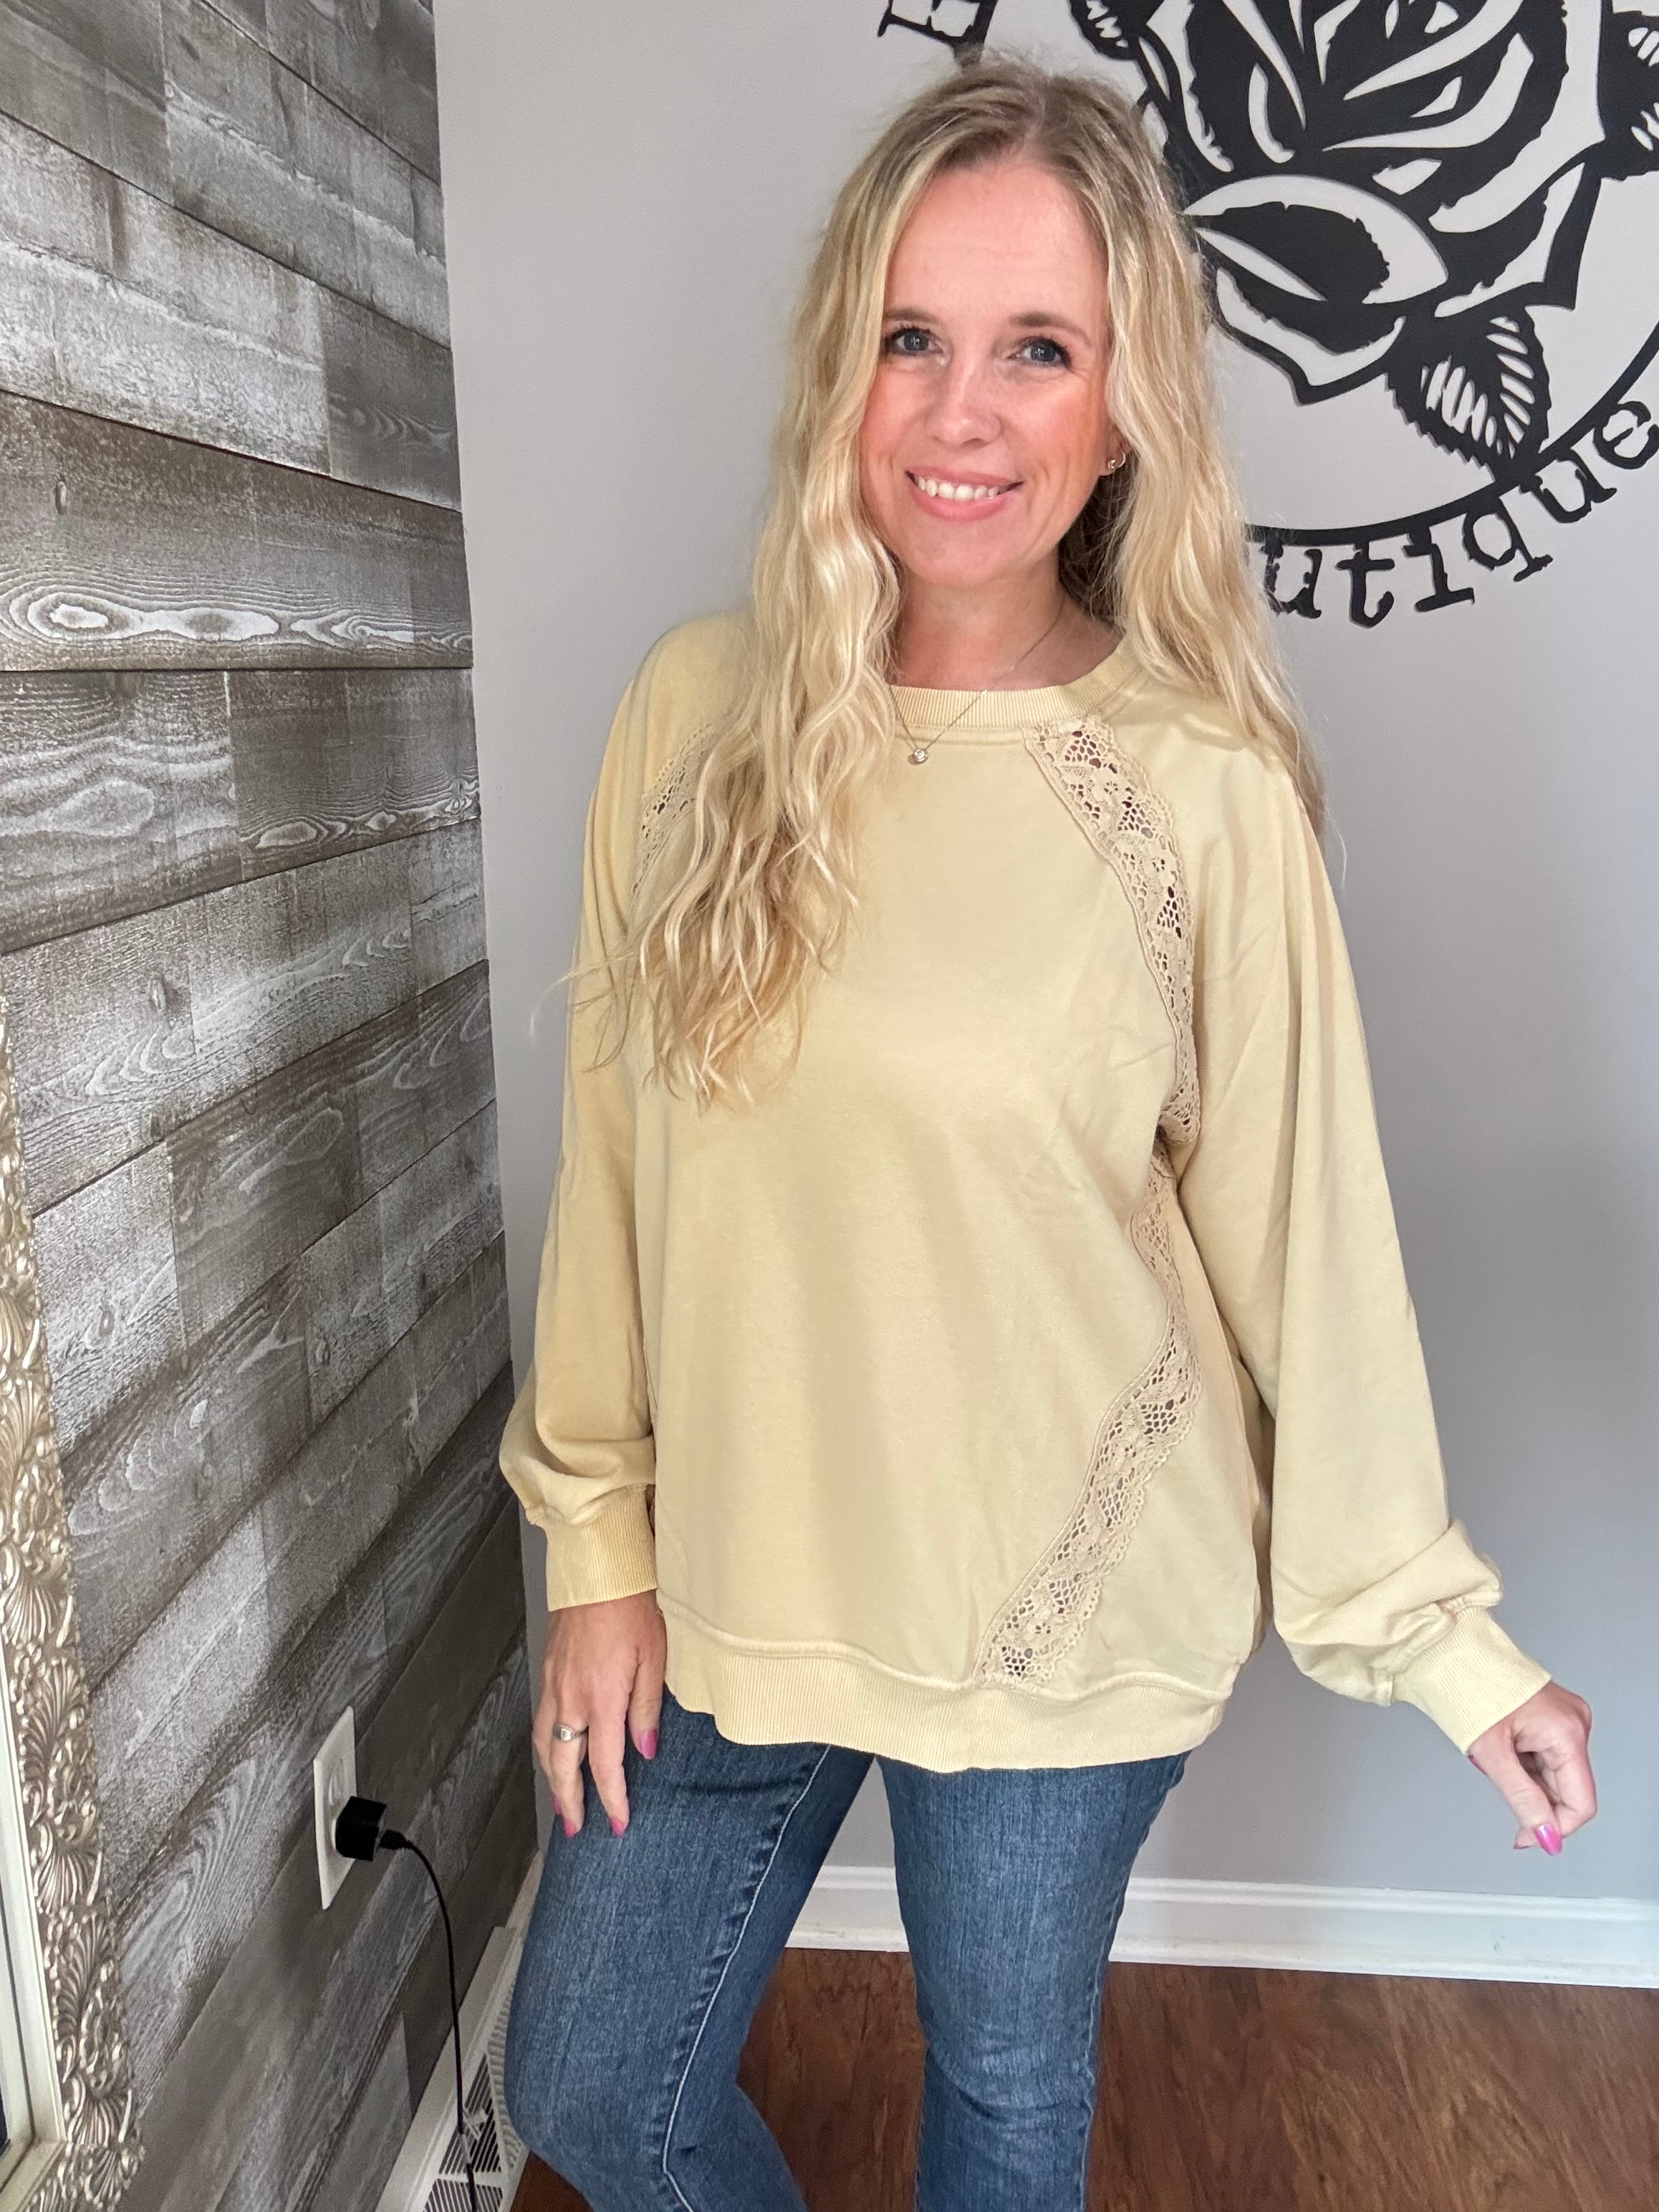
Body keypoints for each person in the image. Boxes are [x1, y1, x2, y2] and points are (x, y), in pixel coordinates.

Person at [498, 54, 1597, 2211]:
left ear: (1121, 409)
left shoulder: (1200, 790)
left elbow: (1305, 1246)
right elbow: (613, 1170)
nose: (961, 414)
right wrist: (598, 1549)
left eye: (1037, 350)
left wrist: (1447, 1648)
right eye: (911, 336)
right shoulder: (691, 720)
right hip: (727, 1579)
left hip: (1058, 1608)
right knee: (593, 2089)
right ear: (841, 368)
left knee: (1003, 2100)